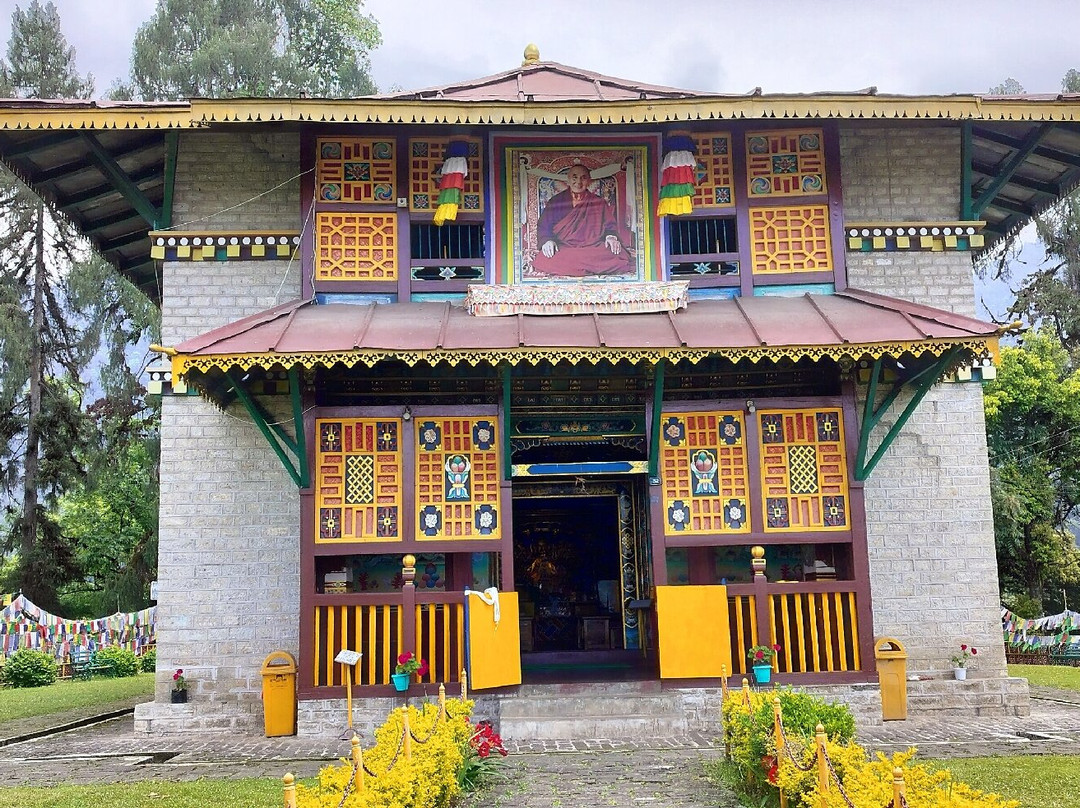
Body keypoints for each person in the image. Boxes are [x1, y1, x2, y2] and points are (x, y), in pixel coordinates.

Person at [531, 163, 633, 276]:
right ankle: (590, 267)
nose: (578, 182)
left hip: (592, 247)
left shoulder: (598, 202)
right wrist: (547, 240)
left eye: (583, 178)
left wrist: (611, 237)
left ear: (589, 181)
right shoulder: (556, 201)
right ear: (568, 180)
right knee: (544, 257)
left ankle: (573, 267)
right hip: (565, 246)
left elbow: (609, 225)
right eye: (574, 178)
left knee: (618, 254)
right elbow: (544, 225)